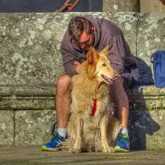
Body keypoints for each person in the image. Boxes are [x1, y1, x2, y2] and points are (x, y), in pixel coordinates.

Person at [41, 16, 139, 152]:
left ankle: (124, 135)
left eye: (86, 42)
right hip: (87, 73)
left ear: (93, 30)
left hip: (121, 71)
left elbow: (117, 66)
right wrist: (74, 68)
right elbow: (68, 64)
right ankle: (61, 135)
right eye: (79, 44)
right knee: (63, 82)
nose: (83, 46)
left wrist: (95, 75)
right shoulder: (69, 39)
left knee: (115, 81)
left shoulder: (110, 33)